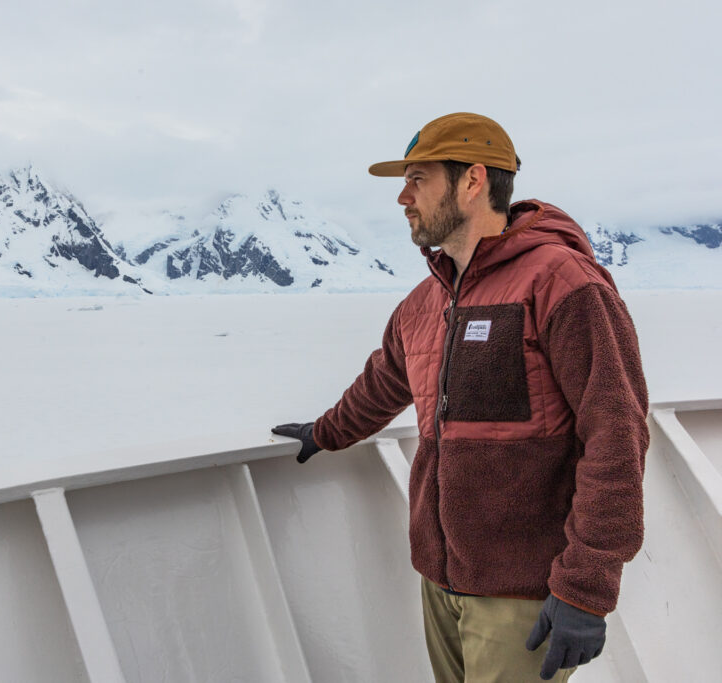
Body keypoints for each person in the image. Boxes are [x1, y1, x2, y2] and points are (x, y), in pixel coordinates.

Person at [272, 112, 648, 682]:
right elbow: (386, 382)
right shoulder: (427, 301)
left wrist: (587, 587)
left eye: (418, 179)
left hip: (523, 589)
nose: (403, 197)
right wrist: (325, 432)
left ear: (473, 181)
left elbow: (617, 435)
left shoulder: (562, 283)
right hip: (440, 578)